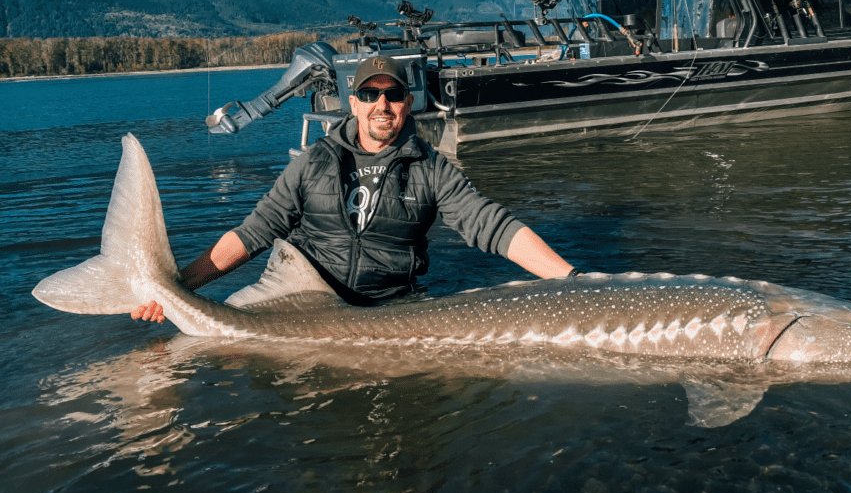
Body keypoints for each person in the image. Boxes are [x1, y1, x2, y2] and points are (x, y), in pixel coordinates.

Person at [133, 54, 577, 322]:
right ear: (353, 104)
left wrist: (573, 281)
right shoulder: (315, 161)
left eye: (393, 95)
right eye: (370, 95)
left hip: (391, 310)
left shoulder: (431, 168)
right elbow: (255, 233)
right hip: (305, 302)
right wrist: (178, 286)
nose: (381, 105)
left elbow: (493, 226)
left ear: (408, 103)